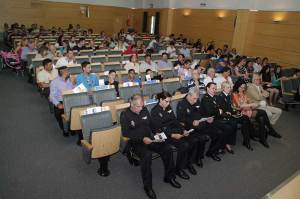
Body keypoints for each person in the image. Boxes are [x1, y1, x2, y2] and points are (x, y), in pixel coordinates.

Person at [120, 94, 181, 199]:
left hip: (150, 138)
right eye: (137, 106)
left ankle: (169, 177)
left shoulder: (144, 110)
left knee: (167, 149)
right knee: (147, 156)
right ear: (131, 104)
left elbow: (152, 124)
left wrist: (157, 133)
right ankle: (148, 187)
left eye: (142, 106)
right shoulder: (125, 114)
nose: (140, 109)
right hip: (136, 142)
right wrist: (142, 138)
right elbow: (126, 133)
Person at [151, 91, 204, 178]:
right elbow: (158, 129)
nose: (168, 104)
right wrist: (172, 135)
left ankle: (188, 163)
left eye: (169, 101)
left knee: (193, 140)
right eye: (166, 101)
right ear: (160, 99)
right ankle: (179, 169)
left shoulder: (168, 108)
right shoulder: (155, 111)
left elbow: (175, 121)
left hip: (174, 130)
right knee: (184, 145)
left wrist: (183, 130)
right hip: (165, 135)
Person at [177, 87, 224, 162]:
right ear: (188, 95)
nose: (195, 101)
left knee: (218, 133)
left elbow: (202, 112)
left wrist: (207, 118)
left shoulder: (197, 100)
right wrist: (192, 121)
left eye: (197, 99)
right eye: (194, 98)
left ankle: (211, 152)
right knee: (202, 138)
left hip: (202, 123)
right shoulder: (182, 104)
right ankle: (197, 158)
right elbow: (181, 119)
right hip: (191, 127)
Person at [232, 79, 281, 148]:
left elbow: (248, 101)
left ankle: (262, 138)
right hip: (240, 113)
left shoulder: (243, 92)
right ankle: (270, 131)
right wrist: (252, 104)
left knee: (261, 118)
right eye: (241, 87)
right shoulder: (234, 94)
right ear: (237, 86)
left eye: (244, 87)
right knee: (262, 112)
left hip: (248, 110)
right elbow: (240, 106)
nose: (242, 89)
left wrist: (252, 103)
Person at [201, 82, 236, 154]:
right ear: (207, 88)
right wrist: (219, 111)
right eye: (213, 88)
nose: (214, 90)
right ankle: (216, 148)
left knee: (232, 124)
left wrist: (223, 112)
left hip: (218, 118)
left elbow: (221, 108)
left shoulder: (215, 97)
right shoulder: (205, 98)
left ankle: (222, 145)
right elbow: (209, 112)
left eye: (215, 89)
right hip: (210, 121)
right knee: (227, 128)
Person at [217, 82, 253, 150]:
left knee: (245, 119)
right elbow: (223, 110)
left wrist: (238, 112)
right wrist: (235, 112)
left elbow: (233, 107)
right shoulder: (220, 97)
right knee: (234, 123)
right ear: (223, 88)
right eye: (228, 87)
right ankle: (227, 143)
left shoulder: (230, 95)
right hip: (228, 116)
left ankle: (246, 141)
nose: (230, 89)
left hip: (234, 114)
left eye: (230, 87)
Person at [49, 66, 74, 137]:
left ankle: (71, 128)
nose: (69, 72)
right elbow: (52, 96)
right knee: (61, 113)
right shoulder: (54, 82)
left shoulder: (69, 80)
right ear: (62, 72)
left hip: (70, 100)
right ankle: (65, 129)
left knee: (75, 111)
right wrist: (58, 104)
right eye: (67, 71)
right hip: (60, 102)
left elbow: (73, 89)